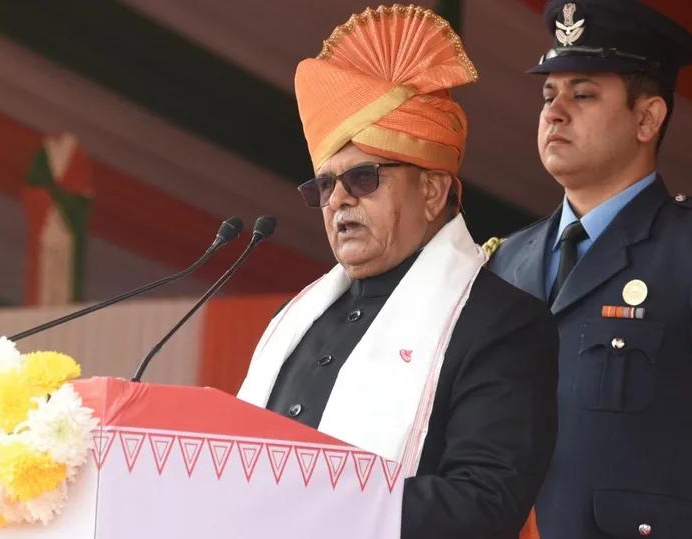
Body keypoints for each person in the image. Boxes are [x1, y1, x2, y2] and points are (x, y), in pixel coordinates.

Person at [236, 6, 559, 538]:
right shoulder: (295, 319)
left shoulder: (502, 324)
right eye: (323, 186)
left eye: (362, 177)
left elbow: (483, 502)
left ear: (432, 191)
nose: (337, 200)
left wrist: (314, 504)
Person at [485, 1, 692, 538]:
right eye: (548, 95)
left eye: (582, 94)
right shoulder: (507, 261)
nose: (555, 113)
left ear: (647, 118)